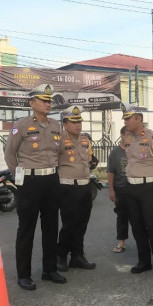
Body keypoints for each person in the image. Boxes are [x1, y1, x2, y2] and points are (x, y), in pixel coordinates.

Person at [4, 84, 66, 291]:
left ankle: (49, 270)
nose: (48, 104)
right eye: (44, 100)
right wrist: (19, 177)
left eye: (49, 101)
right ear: (32, 103)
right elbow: (10, 154)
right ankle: (24, 274)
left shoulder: (56, 126)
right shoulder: (21, 125)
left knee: (50, 227)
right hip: (30, 182)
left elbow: (62, 153)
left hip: (51, 180)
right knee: (27, 228)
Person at [121, 103, 153, 280]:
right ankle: (144, 261)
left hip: (149, 187)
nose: (126, 122)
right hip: (131, 187)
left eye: (128, 119)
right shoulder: (126, 138)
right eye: (125, 119)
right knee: (137, 227)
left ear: (138, 119)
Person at [56, 106, 97, 271]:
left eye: (79, 121)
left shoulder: (85, 139)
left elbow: (89, 159)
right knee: (69, 224)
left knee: (82, 223)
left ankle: (77, 256)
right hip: (67, 187)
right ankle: (61, 255)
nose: (78, 125)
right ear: (65, 123)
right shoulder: (58, 140)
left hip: (84, 186)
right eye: (73, 122)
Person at [107, 126, 130, 253]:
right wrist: (111, 190)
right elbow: (110, 172)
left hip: (135, 189)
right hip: (121, 189)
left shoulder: (136, 150)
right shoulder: (115, 153)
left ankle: (142, 242)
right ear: (121, 136)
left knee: (138, 217)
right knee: (122, 216)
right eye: (126, 134)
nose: (129, 137)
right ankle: (121, 242)